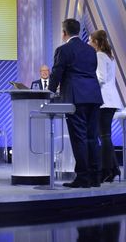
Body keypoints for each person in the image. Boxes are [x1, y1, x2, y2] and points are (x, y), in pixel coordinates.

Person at [48, 19, 103, 188]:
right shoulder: (90, 50)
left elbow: (57, 73)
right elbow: (91, 71)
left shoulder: (63, 50)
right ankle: (95, 177)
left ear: (64, 33)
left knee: (79, 138)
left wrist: (49, 92)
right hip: (93, 96)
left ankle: (83, 178)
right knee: (92, 138)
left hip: (75, 98)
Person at [88, 30, 123, 183]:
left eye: (90, 40)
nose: (89, 43)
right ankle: (113, 169)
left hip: (104, 100)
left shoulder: (100, 55)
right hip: (109, 99)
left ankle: (106, 170)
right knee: (105, 135)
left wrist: (87, 81)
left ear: (96, 42)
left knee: (104, 136)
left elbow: (101, 78)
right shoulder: (109, 56)